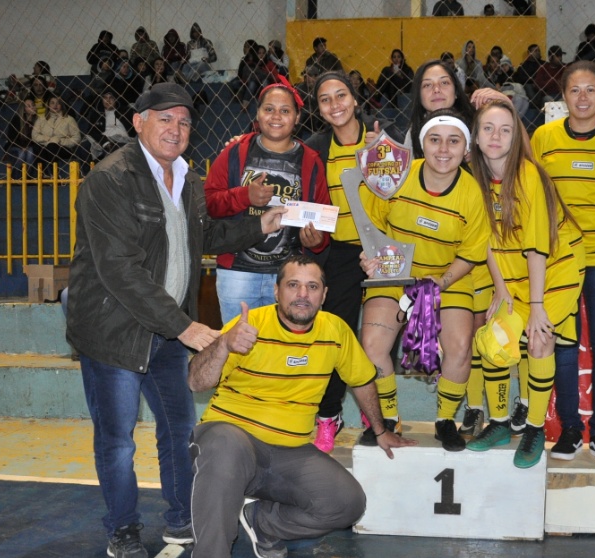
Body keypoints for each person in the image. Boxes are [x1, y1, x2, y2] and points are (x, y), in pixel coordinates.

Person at [66, 83, 286, 558]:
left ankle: (180, 516)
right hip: (114, 333)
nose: (176, 129)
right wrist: (186, 327)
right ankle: (122, 528)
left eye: (184, 122)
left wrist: (261, 225)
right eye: (164, 118)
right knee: (119, 440)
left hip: (166, 332)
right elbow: (119, 269)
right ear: (138, 122)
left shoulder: (186, 179)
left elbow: (202, 234)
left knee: (179, 430)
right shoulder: (110, 180)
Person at [186, 254, 415, 558]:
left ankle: (260, 521)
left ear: (324, 295)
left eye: (312, 287)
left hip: (289, 450)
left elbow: (361, 380)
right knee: (225, 452)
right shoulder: (250, 325)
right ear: (277, 292)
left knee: (347, 503)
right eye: (293, 285)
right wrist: (224, 344)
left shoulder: (335, 331)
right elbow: (196, 381)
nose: (302, 294)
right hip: (231, 435)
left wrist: (382, 430)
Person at [359, 110, 488, 452]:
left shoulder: (473, 194)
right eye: (435, 139)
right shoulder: (397, 178)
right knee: (372, 345)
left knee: (460, 348)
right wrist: (371, 256)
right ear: (421, 144)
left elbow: (472, 252)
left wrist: (440, 283)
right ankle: (388, 419)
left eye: (453, 140)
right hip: (397, 274)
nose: (443, 149)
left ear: (466, 148)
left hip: (449, 277)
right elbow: (372, 228)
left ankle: (446, 420)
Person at [466, 100, 585, 469]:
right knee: (495, 339)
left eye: (506, 129)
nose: (496, 136)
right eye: (488, 128)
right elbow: (482, 240)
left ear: (517, 136)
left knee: (539, 338)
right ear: (476, 136)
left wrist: (535, 307)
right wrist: (501, 290)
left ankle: (534, 428)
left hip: (555, 268)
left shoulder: (529, 175)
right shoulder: (472, 176)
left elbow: (538, 247)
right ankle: (500, 423)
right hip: (509, 271)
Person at [530, 61, 595, 465]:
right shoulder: (544, 137)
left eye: (591, 90)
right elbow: (533, 195)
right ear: (563, 96)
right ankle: (570, 429)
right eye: (575, 90)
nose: (583, 98)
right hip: (560, 260)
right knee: (565, 348)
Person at [305, 71, 398, 452]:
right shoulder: (314, 148)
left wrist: (385, 154)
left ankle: (379, 413)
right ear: (319, 109)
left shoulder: (383, 137)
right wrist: (307, 237)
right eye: (325, 99)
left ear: (356, 100)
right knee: (335, 338)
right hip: (340, 255)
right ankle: (329, 416)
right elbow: (309, 208)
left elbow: (403, 194)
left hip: (384, 251)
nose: (335, 104)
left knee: (377, 342)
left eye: (341, 95)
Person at [204, 82, 330, 325]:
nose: (276, 116)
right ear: (258, 113)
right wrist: (244, 196)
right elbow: (209, 204)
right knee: (237, 351)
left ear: (297, 117)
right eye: (269, 109)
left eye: (285, 111)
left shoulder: (311, 161)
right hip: (237, 273)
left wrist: (317, 240)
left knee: (280, 353)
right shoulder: (234, 153)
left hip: (288, 276)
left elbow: (322, 218)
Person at [32, 92, 83, 166]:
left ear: (61, 105)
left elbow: (77, 138)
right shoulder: (41, 119)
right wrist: (48, 139)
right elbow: (34, 135)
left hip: (63, 148)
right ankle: (42, 173)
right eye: (52, 103)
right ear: (48, 105)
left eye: (58, 103)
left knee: (52, 147)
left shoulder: (69, 119)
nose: (55, 105)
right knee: (37, 148)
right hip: (45, 145)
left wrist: (59, 141)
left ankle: (54, 174)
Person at [5, 97, 40, 166]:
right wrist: (22, 147)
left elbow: (36, 139)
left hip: (29, 147)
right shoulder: (16, 120)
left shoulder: (38, 121)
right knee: (21, 154)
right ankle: (16, 176)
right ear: (24, 110)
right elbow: (11, 138)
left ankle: (28, 176)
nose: (32, 107)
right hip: (15, 146)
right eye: (28, 106)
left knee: (30, 152)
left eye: (33, 105)